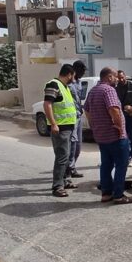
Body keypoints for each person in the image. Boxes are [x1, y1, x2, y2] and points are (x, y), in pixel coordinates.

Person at [84, 67, 132, 204]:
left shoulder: (93, 91)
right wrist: (119, 127)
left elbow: (87, 110)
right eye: (115, 76)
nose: (117, 79)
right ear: (109, 77)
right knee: (121, 164)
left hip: (101, 136)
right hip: (115, 136)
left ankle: (106, 193)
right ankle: (118, 195)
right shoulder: (108, 90)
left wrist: (93, 125)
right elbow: (114, 109)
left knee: (106, 164)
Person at [43, 64, 79, 198]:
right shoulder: (54, 84)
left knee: (67, 155)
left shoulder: (64, 87)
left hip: (68, 127)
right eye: (73, 76)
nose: (73, 79)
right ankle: (57, 186)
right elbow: (47, 104)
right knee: (62, 157)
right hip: (60, 127)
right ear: (69, 74)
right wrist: (53, 124)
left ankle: (65, 181)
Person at [65, 59, 87, 180]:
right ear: (76, 70)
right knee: (72, 145)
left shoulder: (79, 82)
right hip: (71, 117)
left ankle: (72, 167)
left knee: (78, 146)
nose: (84, 72)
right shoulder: (68, 84)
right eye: (82, 70)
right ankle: (67, 171)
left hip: (78, 115)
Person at [115, 70, 132, 166]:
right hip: (121, 116)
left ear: (125, 76)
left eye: (122, 77)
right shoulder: (116, 87)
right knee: (122, 137)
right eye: (119, 78)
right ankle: (124, 156)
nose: (121, 79)